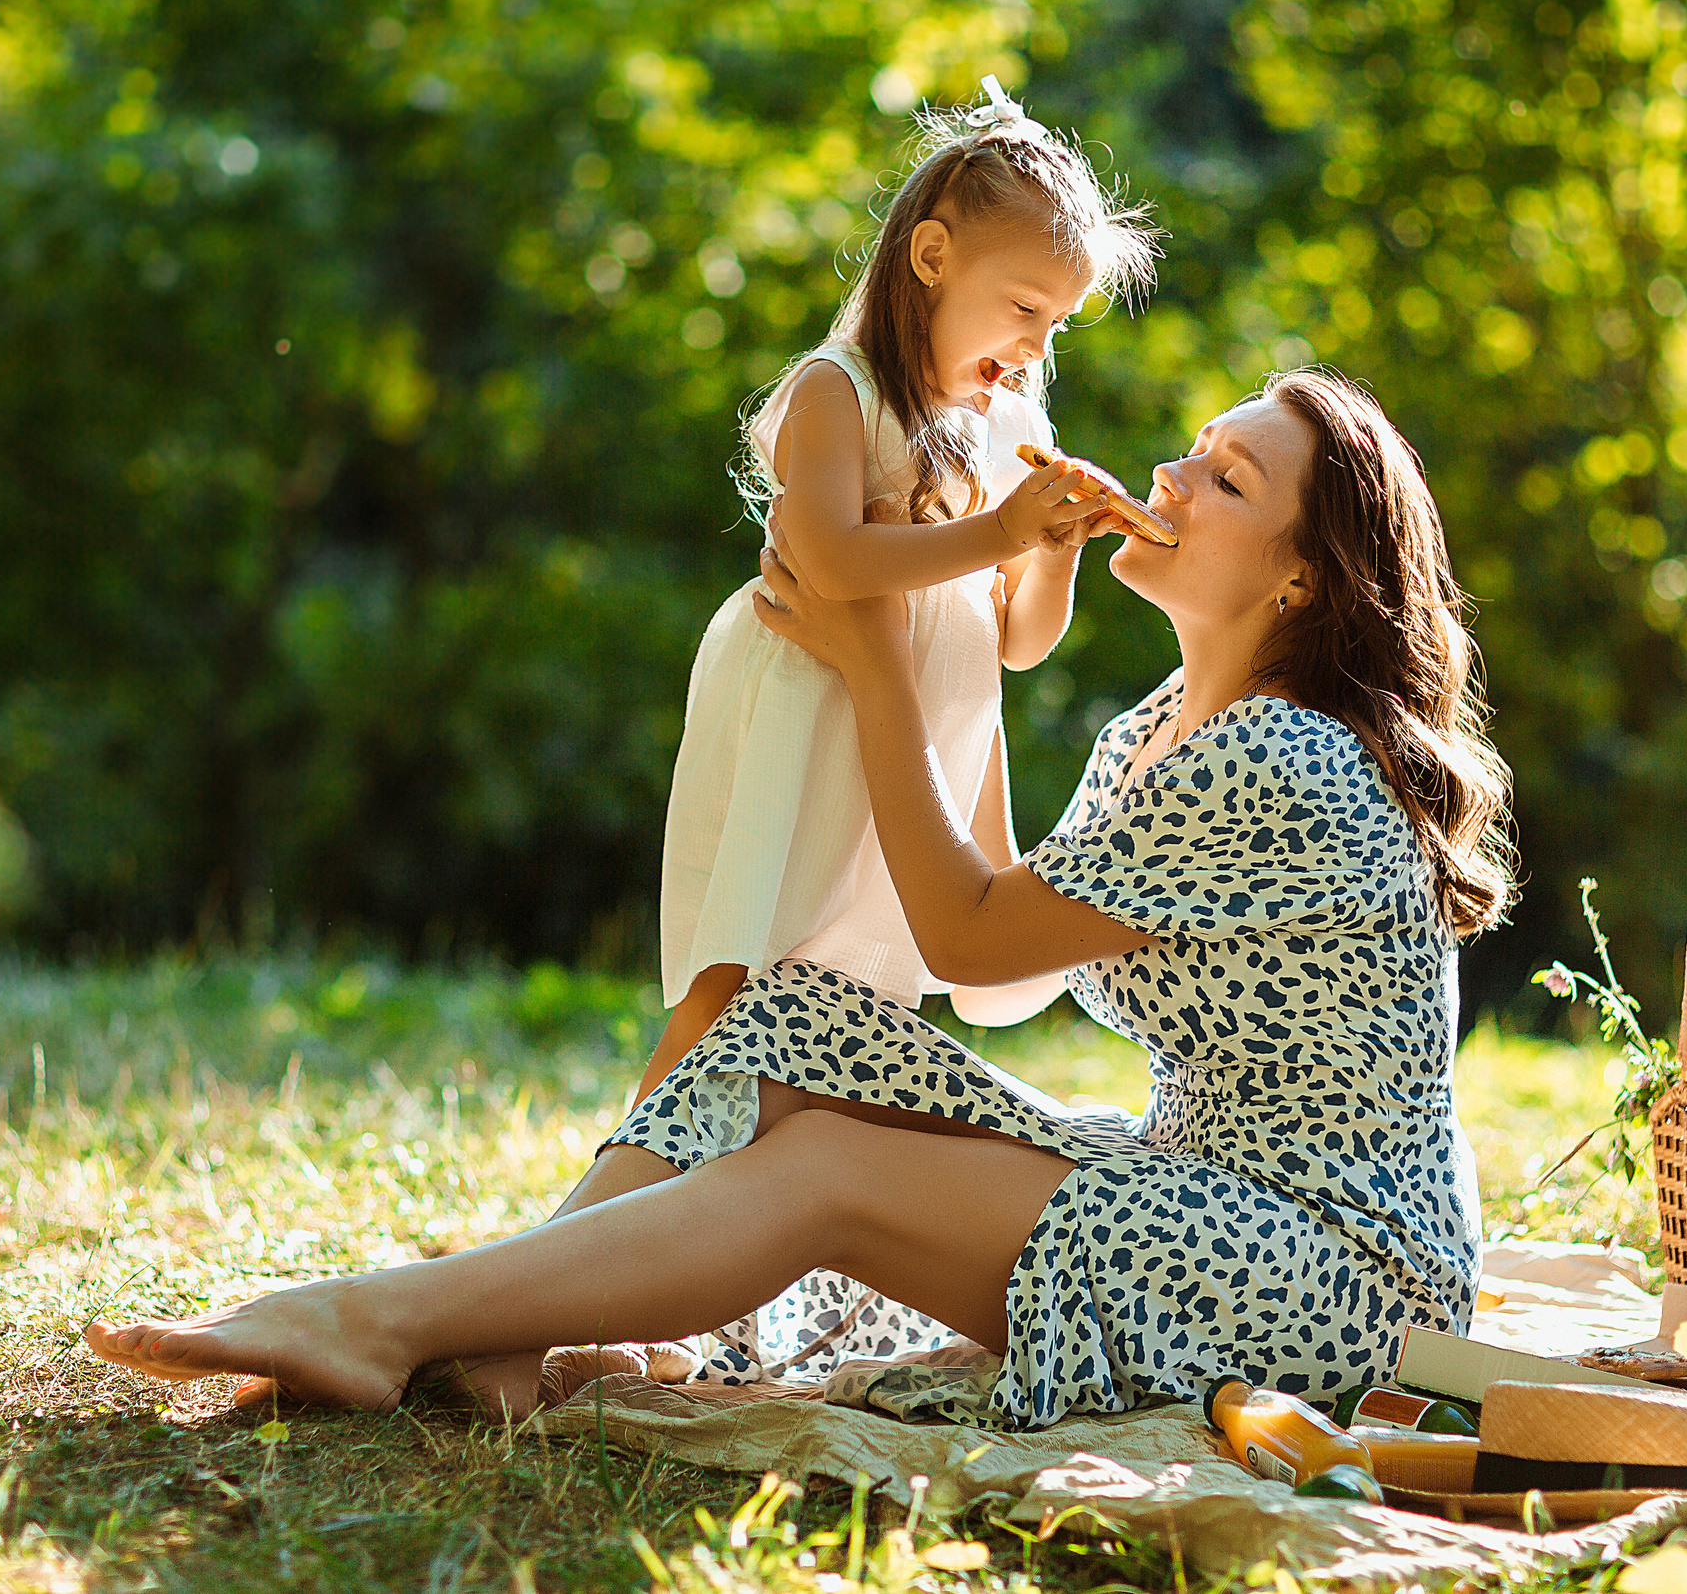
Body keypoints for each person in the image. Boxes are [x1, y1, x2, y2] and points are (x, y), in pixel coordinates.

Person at [84, 369, 1515, 1426]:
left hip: (1337, 1278)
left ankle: (380, 1316)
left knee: (832, 1169)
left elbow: (964, 931)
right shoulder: (1158, 725)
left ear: (1303, 583)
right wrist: (956, 609)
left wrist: (877, 651)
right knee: (787, 1020)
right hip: (1201, 1187)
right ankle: (525, 1323)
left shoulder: (1286, 758)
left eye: (1228, 482)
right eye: (1193, 453)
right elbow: (996, 919)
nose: (1175, 476)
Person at [644, 76, 1159, 1108]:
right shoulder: (839, 392)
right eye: (1023, 309)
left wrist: (1049, 547)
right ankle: (610, 1197)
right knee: (748, 963)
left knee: (864, 991)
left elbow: (1020, 641)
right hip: (811, 706)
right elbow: (829, 560)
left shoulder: (1008, 432)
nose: (1035, 347)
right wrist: (1000, 530)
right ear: (931, 258)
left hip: (918, 739)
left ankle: (755, 1204)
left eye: (1057, 325)